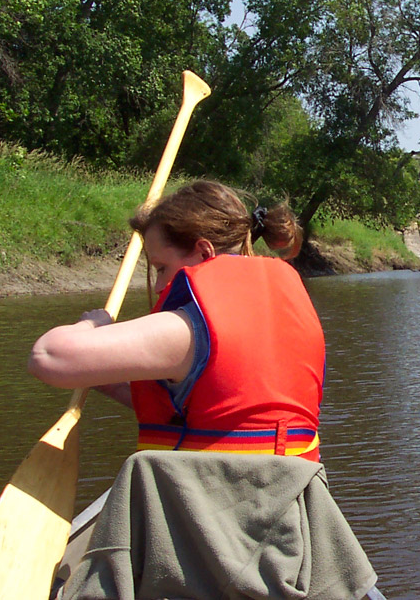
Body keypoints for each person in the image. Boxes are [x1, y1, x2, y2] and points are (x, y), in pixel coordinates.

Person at [29, 180, 380, 600]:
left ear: (203, 252)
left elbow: (48, 356)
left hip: (211, 544)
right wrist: (102, 374)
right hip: (286, 537)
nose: (159, 285)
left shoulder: (190, 326)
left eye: (160, 267)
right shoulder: (285, 304)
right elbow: (211, 410)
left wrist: (95, 325)